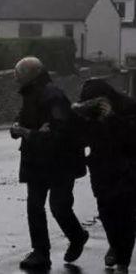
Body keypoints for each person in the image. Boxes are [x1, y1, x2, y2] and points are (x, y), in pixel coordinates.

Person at [10, 57, 88, 270]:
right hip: (36, 160)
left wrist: (29, 133)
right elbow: (23, 120)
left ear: (31, 74)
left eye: (18, 72)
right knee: (34, 206)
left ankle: (77, 236)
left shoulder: (52, 95)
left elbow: (59, 132)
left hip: (62, 161)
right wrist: (18, 128)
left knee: (59, 206)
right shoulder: (30, 94)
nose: (14, 76)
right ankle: (40, 252)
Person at [76, 79, 136, 274]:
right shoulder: (88, 112)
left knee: (125, 216)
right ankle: (115, 245)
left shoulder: (128, 106)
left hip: (126, 168)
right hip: (100, 168)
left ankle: (123, 262)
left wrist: (112, 118)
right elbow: (82, 137)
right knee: (105, 212)